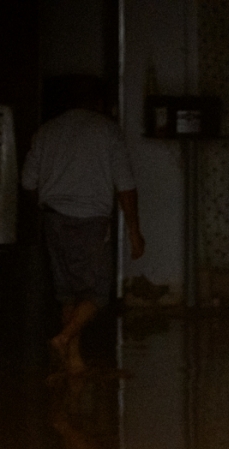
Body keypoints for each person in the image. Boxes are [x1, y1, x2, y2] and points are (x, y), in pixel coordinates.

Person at [22, 80, 144, 374]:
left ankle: (74, 360)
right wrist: (134, 230)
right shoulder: (108, 131)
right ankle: (64, 339)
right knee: (97, 293)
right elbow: (126, 186)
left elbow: (28, 182)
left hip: (53, 218)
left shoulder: (46, 132)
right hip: (91, 222)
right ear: (98, 103)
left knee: (68, 293)